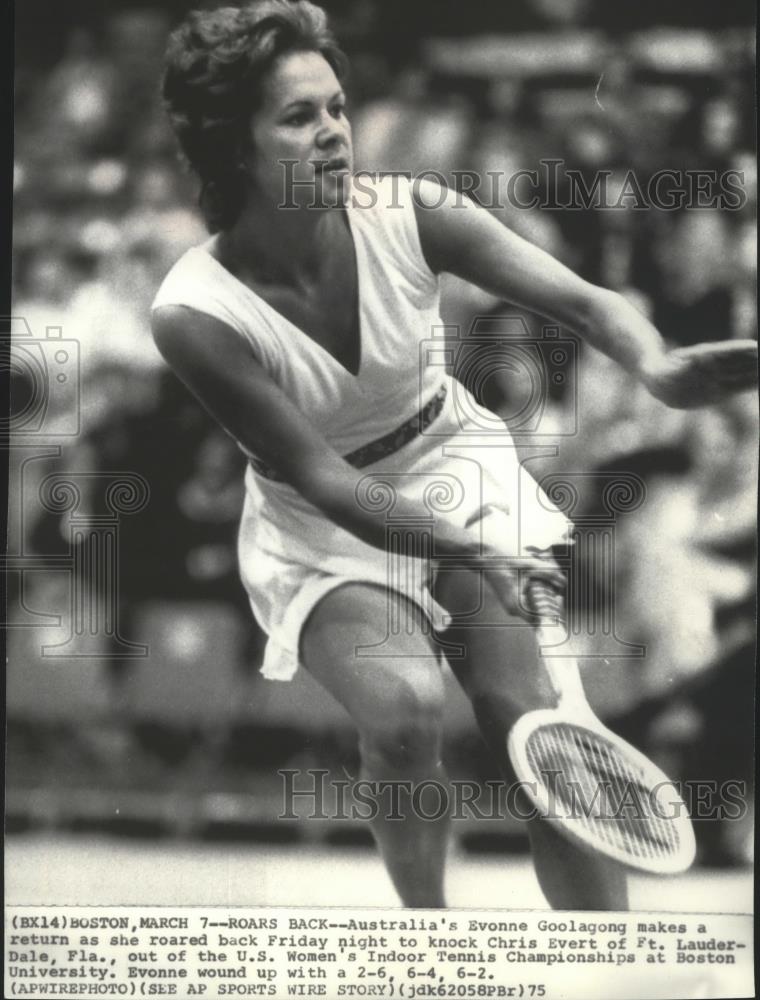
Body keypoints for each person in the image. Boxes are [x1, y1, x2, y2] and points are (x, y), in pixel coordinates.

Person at [151, 0, 756, 910]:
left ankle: (611, 974)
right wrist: (476, 556)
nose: (332, 134)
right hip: (323, 521)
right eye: (297, 116)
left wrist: (656, 363)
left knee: (540, 734)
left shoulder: (414, 214)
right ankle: (433, 945)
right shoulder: (194, 315)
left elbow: (591, 305)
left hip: (457, 470)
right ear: (230, 144)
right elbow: (325, 478)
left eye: (338, 107)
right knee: (403, 716)